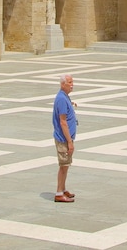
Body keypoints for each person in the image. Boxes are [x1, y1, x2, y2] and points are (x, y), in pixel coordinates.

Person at [52, 74, 77, 202]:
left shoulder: (64, 97)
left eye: (72, 81)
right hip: (63, 139)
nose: (72, 84)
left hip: (66, 138)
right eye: (69, 82)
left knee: (66, 165)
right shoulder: (61, 98)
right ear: (62, 84)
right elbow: (63, 122)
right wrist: (69, 142)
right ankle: (59, 192)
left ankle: (63, 188)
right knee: (63, 166)